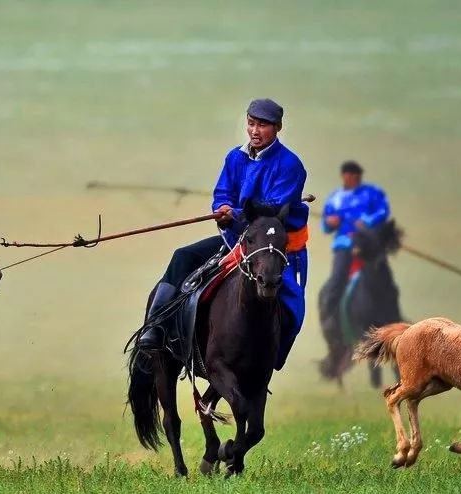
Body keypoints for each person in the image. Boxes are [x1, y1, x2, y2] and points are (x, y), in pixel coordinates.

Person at [136, 98, 309, 371]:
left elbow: (273, 210)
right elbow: (222, 192)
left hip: (275, 248)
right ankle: (155, 329)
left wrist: (237, 213)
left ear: (277, 127)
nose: (254, 130)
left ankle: (268, 360)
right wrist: (222, 207)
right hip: (238, 240)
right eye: (251, 123)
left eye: (262, 125)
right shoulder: (235, 157)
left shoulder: (290, 165)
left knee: (294, 306)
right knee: (182, 256)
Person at [319, 160, 390, 317]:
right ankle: (329, 316)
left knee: (385, 279)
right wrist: (330, 222)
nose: (355, 178)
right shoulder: (335, 198)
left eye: (357, 175)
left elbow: (382, 211)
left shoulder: (372, 193)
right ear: (344, 176)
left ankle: (394, 312)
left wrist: (366, 221)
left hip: (369, 244)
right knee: (337, 278)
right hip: (345, 245)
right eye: (351, 175)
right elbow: (325, 225)